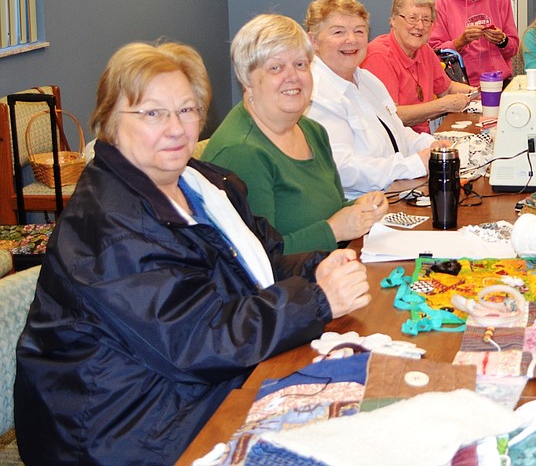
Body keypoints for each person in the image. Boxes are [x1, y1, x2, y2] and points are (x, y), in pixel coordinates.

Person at [14, 41, 372, 465]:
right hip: (126, 427)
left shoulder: (198, 181)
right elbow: (198, 341)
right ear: (109, 121)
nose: (175, 127)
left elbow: (261, 259)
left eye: (186, 110)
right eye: (152, 113)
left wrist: (318, 266)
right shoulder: (108, 229)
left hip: (189, 386)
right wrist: (316, 299)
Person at [201, 13, 388, 254]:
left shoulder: (312, 131)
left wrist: (360, 207)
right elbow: (256, 260)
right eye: (276, 67)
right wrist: (333, 231)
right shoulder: (242, 152)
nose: (292, 77)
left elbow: (326, 208)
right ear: (246, 78)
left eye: (300, 64)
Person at [305, 0, 452, 196]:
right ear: (314, 41)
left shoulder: (366, 80)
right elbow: (344, 171)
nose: (351, 40)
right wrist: (415, 164)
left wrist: (431, 145)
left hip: (395, 192)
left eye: (359, 31)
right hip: (359, 211)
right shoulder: (315, 94)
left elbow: (396, 131)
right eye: (338, 32)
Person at [364, 0, 478, 133]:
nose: (420, 26)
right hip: (396, 146)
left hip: (421, 138)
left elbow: (446, 89)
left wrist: (478, 92)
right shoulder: (379, 56)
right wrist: (442, 106)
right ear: (393, 19)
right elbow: (392, 115)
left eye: (426, 20)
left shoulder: (424, 50)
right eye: (412, 18)